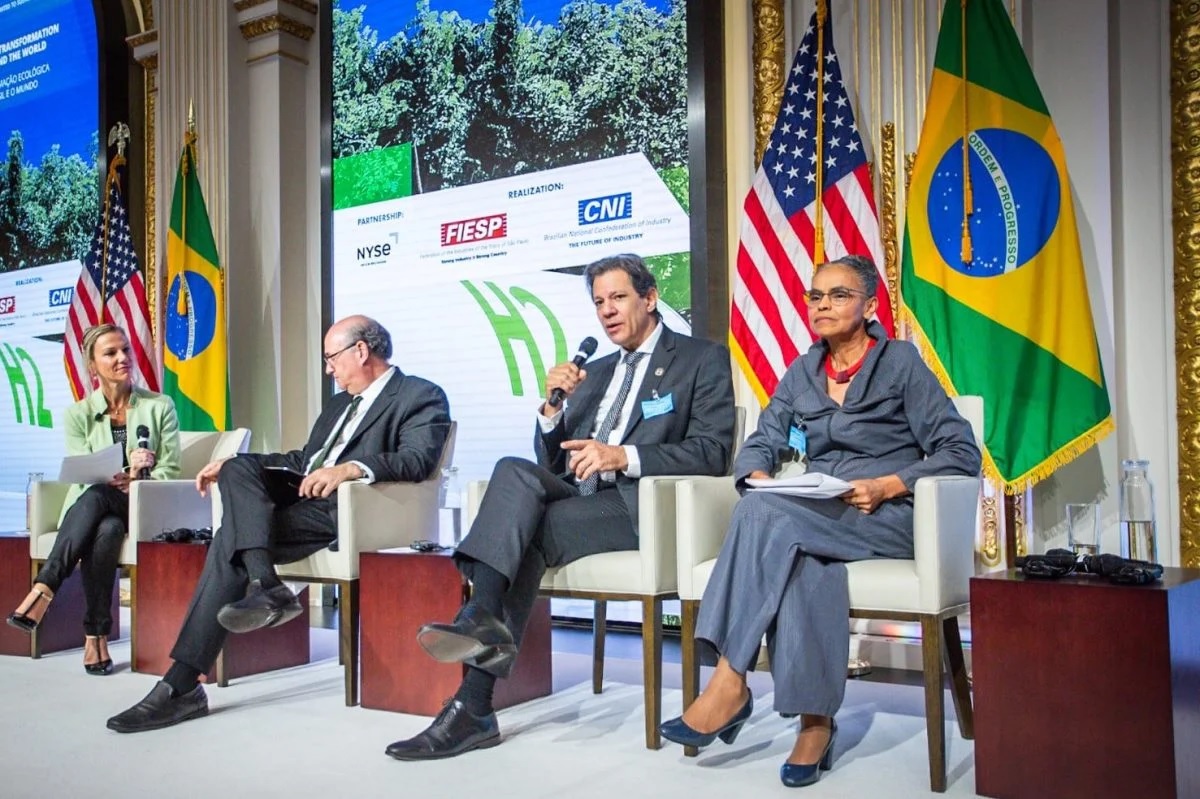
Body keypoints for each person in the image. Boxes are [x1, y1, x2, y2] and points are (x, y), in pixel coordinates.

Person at [385, 253, 736, 761]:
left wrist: (624, 455)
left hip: (640, 504)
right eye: (599, 302)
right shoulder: (591, 373)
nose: (607, 311)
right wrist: (552, 413)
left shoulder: (700, 358)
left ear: (650, 297)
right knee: (512, 470)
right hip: (580, 494)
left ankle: (473, 701)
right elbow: (554, 462)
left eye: (618, 298)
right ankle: (481, 626)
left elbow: (713, 451)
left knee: (534, 532)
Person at [658, 254, 981, 788]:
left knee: (770, 520)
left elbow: (959, 449)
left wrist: (888, 484)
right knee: (796, 551)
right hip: (819, 510)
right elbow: (762, 439)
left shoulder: (900, 362)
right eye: (815, 296)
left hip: (887, 515)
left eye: (838, 295)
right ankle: (814, 724)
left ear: (870, 306)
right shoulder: (802, 371)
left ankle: (728, 681)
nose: (823, 305)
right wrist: (757, 472)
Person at [106, 315, 451, 732]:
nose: (328, 369)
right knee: (236, 471)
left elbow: (418, 459)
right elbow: (304, 462)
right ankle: (266, 585)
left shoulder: (419, 394)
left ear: (361, 351)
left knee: (229, 540)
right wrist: (235, 465)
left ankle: (182, 684)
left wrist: (351, 469)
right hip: (307, 495)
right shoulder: (341, 403)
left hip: (351, 509)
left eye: (331, 358)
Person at [7, 324, 181, 675]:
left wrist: (140, 475)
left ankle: (45, 587)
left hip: (143, 505)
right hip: (97, 505)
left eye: (125, 350)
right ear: (92, 365)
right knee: (107, 527)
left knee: (105, 501)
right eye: (111, 353)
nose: (122, 359)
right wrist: (115, 475)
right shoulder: (77, 415)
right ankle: (95, 636)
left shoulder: (159, 406)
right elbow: (83, 470)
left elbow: (172, 471)